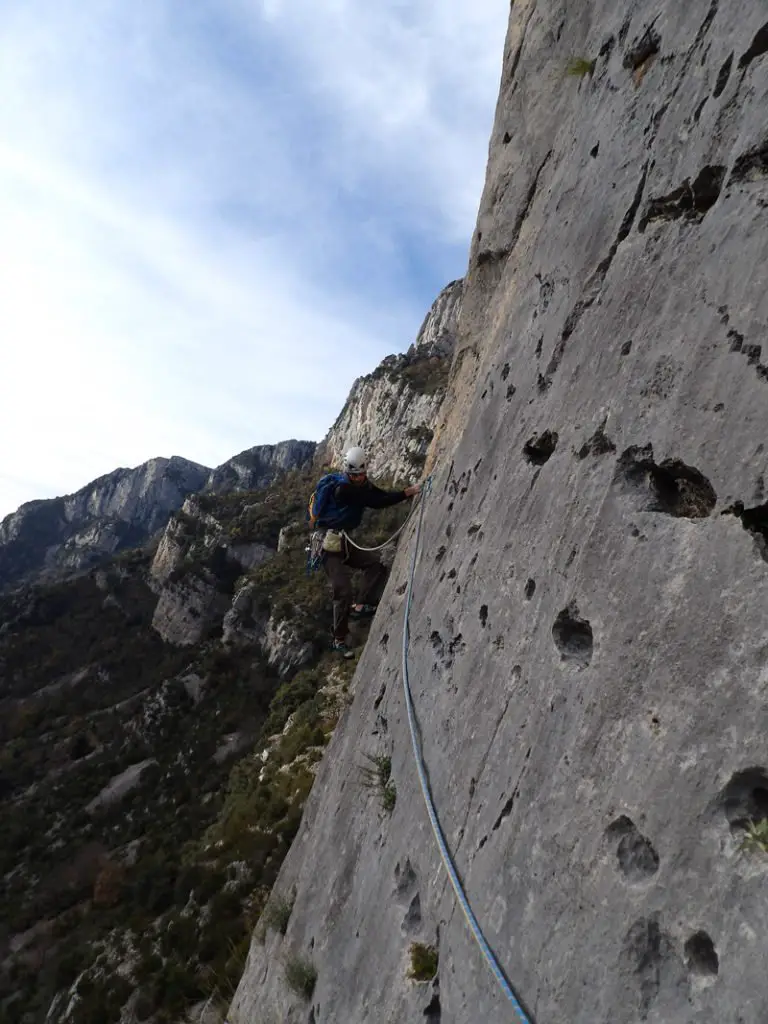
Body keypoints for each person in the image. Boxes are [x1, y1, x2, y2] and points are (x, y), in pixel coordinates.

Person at [308, 446, 421, 658]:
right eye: (354, 475)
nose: (358, 478)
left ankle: (361, 605)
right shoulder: (344, 489)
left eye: (360, 474)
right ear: (347, 473)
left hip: (343, 540)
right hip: (326, 542)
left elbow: (379, 494)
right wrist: (406, 493)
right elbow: (377, 502)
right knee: (342, 588)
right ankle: (339, 640)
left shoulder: (362, 485)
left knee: (375, 566)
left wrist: (405, 492)